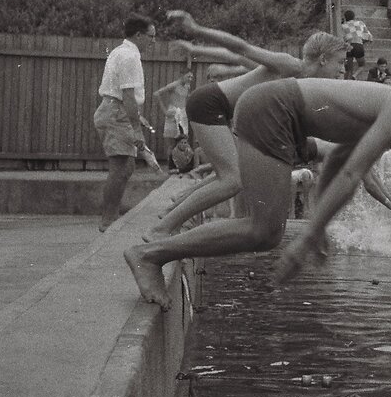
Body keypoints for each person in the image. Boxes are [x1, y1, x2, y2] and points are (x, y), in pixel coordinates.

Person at [125, 76, 391, 308]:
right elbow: (350, 174)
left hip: (281, 116)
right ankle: (150, 254)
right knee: (265, 231)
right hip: (275, 110)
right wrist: (310, 235)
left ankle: (156, 251)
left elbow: (345, 165)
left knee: (265, 232)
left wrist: (318, 221)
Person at [144, 13, 348, 242]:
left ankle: (175, 206)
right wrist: (197, 31)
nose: (341, 69)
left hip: (219, 110)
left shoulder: (302, 82)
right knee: (233, 180)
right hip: (210, 104)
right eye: (339, 62)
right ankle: (161, 229)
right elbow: (241, 47)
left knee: (236, 171)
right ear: (322, 59)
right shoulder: (289, 65)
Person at [93, 14, 159, 232]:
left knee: (126, 166)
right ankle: (108, 221)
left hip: (114, 110)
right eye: (150, 37)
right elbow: (127, 95)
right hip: (115, 112)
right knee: (121, 167)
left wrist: (136, 117)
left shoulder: (120, 52)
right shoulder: (130, 56)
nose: (153, 41)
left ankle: (111, 218)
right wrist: (137, 129)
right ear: (138, 35)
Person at [153, 71, 193, 165]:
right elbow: (157, 94)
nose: (190, 79)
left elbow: (185, 99)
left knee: (183, 139)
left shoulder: (187, 86)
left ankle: (182, 165)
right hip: (173, 113)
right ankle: (171, 165)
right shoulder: (173, 85)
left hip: (182, 114)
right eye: (188, 77)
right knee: (171, 142)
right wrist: (165, 111)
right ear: (182, 76)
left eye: (191, 77)